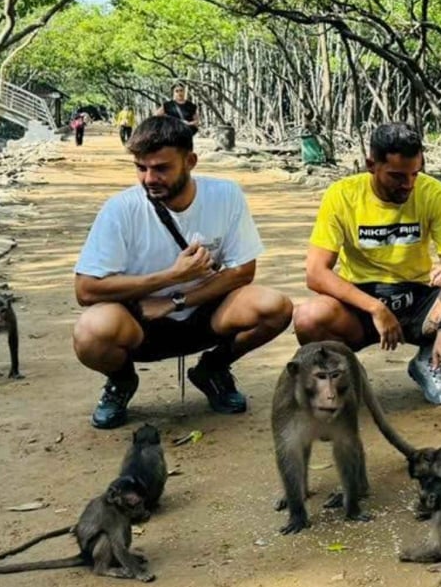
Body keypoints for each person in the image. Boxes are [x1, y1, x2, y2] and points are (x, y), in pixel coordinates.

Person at [70, 116, 293, 429]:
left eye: (161, 168)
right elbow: (85, 290)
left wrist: (177, 299)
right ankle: (121, 381)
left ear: (190, 161)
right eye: (141, 167)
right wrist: (169, 277)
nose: (149, 178)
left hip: (203, 311)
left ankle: (214, 368)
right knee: (91, 331)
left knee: (274, 306)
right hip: (139, 321)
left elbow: (243, 271)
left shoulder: (225, 195)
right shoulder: (120, 209)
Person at [291, 123, 441, 405]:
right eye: (397, 176)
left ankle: (429, 361)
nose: (409, 184)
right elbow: (316, 273)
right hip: (361, 302)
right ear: (371, 164)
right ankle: (343, 369)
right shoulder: (342, 195)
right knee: (308, 318)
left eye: (415, 173)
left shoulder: (433, 193)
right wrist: (375, 307)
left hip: (418, 296)